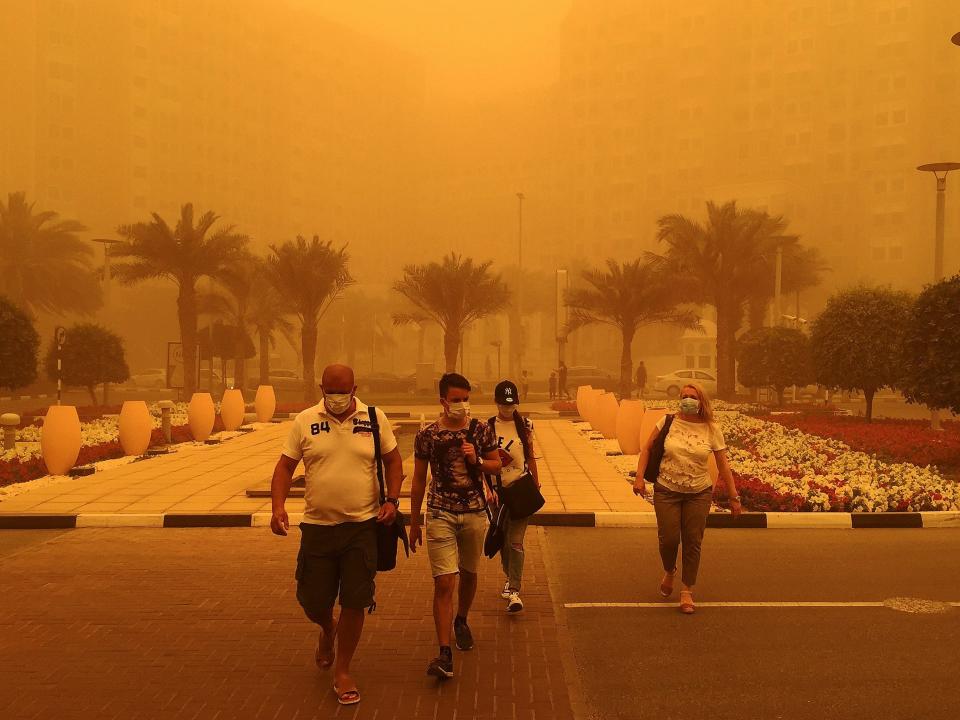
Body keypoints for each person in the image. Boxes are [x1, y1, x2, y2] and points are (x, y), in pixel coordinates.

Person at [270, 364, 403, 706]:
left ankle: (342, 670)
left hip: (362, 527)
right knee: (312, 601)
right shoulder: (305, 420)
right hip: (317, 528)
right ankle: (328, 629)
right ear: (322, 388)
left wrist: (391, 501)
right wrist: (278, 507)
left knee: (356, 600)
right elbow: (285, 467)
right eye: (331, 391)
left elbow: (393, 460)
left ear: (355, 388)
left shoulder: (374, 418)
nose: (338, 397)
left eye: (344, 391)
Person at [409, 372, 501, 680]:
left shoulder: (481, 430)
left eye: (465, 399)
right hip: (440, 513)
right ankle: (444, 653)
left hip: (474, 512)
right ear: (443, 401)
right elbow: (419, 479)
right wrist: (413, 521)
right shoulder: (428, 435)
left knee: (469, 574)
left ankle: (461, 619)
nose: (462, 405)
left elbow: (496, 465)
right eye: (456, 399)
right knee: (444, 582)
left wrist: (476, 459)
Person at [631, 382, 741, 614]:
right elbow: (647, 449)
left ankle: (687, 591)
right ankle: (669, 570)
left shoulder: (712, 428)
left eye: (693, 396)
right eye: (684, 396)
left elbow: (723, 464)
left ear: (701, 401)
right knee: (669, 538)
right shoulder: (668, 422)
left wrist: (733, 496)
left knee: (693, 541)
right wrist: (639, 478)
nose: (688, 400)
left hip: (698, 493)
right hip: (667, 489)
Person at [486, 380, 540, 613]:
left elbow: (529, 457)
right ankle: (509, 576)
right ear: (496, 403)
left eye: (511, 404)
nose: (507, 408)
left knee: (515, 541)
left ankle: (515, 590)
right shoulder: (487, 427)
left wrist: (536, 485)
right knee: (503, 542)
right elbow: (483, 461)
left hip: (519, 492)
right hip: (497, 494)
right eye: (503, 403)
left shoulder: (525, 425)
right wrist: (486, 488)